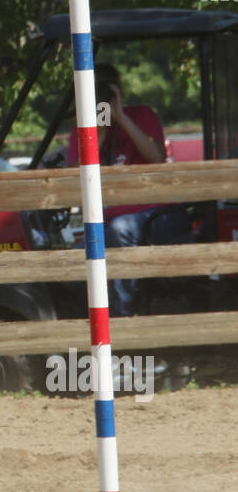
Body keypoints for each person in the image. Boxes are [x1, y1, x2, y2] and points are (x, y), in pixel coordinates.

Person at [66, 62, 186, 316]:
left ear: (118, 90)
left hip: (154, 216)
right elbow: (73, 179)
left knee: (121, 229)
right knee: (73, 260)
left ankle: (125, 315)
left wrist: (120, 116)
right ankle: (94, 321)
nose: (102, 97)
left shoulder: (142, 115)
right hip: (107, 224)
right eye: (95, 90)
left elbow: (156, 157)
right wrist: (97, 134)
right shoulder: (82, 131)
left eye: (107, 89)